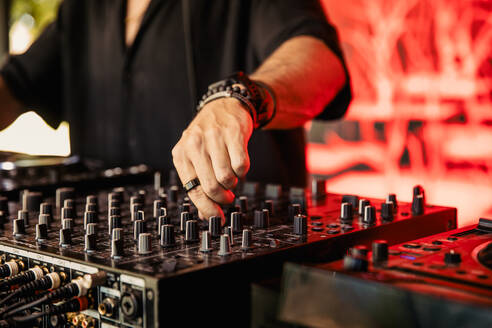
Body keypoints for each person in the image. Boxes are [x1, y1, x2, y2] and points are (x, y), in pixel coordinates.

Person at [0, 0, 351, 220]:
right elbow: (13, 87)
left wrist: (239, 97)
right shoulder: (81, 9)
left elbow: (321, 60)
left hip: (246, 265)